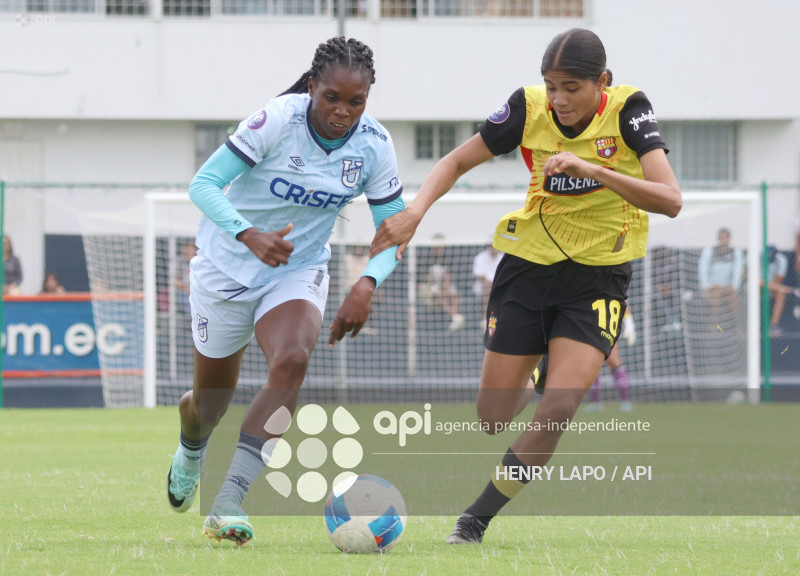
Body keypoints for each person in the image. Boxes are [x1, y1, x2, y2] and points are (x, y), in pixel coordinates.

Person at [370, 28, 681, 544]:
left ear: (602, 81)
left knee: (559, 407)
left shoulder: (630, 111)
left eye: (572, 88)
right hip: (528, 270)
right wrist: (414, 212)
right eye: (551, 85)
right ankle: (540, 371)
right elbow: (454, 162)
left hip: (600, 278)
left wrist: (592, 169)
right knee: (492, 418)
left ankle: (474, 520)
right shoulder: (528, 109)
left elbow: (670, 199)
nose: (559, 100)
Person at [165, 37, 405, 547]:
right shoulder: (277, 120)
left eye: (356, 102)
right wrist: (249, 234)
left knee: (293, 360)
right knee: (208, 406)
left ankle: (228, 500)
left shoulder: (375, 146)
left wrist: (367, 281)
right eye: (332, 98)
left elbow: (392, 232)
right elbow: (203, 185)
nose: (343, 112)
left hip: (295, 272)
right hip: (225, 268)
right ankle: (190, 450)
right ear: (313, 87)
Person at [585, 308, 635, 412]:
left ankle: (625, 401)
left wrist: (629, 322)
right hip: (589, 323)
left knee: (613, 361)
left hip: (607, 323)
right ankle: (596, 402)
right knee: (592, 362)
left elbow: (623, 299)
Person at [418, 235, 466, 331]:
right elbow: (424, 278)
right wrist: (438, 287)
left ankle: (455, 320)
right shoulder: (426, 258)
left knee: (454, 295)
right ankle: (456, 317)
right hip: (430, 286)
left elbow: (448, 276)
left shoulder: (447, 258)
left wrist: (445, 288)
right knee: (440, 297)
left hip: (443, 285)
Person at [698, 227, 744, 318]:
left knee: (732, 294)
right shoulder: (709, 252)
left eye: (726, 238)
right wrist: (707, 286)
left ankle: (736, 323)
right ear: (718, 239)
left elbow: (738, 273)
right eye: (721, 238)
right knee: (716, 295)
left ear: (729, 239)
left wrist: (733, 286)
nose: (724, 240)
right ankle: (715, 324)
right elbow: (702, 271)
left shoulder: (736, 253)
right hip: (712, 287)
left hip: (727, 287)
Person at [472, 242, 503, 326]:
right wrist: (490, 284)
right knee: (487, 288)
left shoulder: (503, 258)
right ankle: (486, 319)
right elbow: (479, 275)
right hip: (483, 286)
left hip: (499, 285)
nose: (494, 249)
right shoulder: (480, 257)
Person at [762, 245, 789, 336]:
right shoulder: (756, 257)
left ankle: (773, 326)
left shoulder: (781, 260)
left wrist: (774, 287)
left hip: (772, 288)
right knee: (780, 289)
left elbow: (778, 280)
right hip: (758, 289)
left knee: (780, 293)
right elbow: (755, 282)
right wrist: (774, 287)